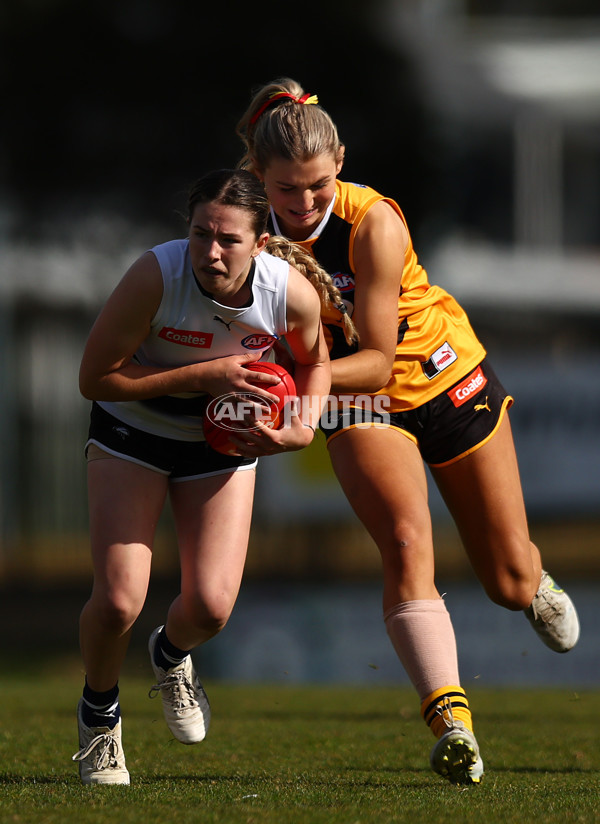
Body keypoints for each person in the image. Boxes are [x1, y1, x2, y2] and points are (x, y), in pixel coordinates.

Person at [235, 78, 580, 786]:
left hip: (437, 376)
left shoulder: (373, 223)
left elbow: (379, 357)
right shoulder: (241, 229)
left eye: (319, 186)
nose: (304, 206)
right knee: (403, 536)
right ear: (259, 178)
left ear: (341, 164)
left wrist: (292, 384)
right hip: (357, 400)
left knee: (508, 581)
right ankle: (452, 722)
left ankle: (531, 579)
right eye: (286, 191)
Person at [72, 168, 331, 785]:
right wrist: (200, 377)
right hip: (132, 431)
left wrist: (303, 425)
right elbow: (94, 377)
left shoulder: (287, 293)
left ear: (261, 243)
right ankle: (99, 718)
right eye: (199, 234)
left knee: (212, 608)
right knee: (116, 601)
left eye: (228, 240)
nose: (210, 252)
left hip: (221, 444)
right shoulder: (155, 276)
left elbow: (317, 359)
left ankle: (170, 654)